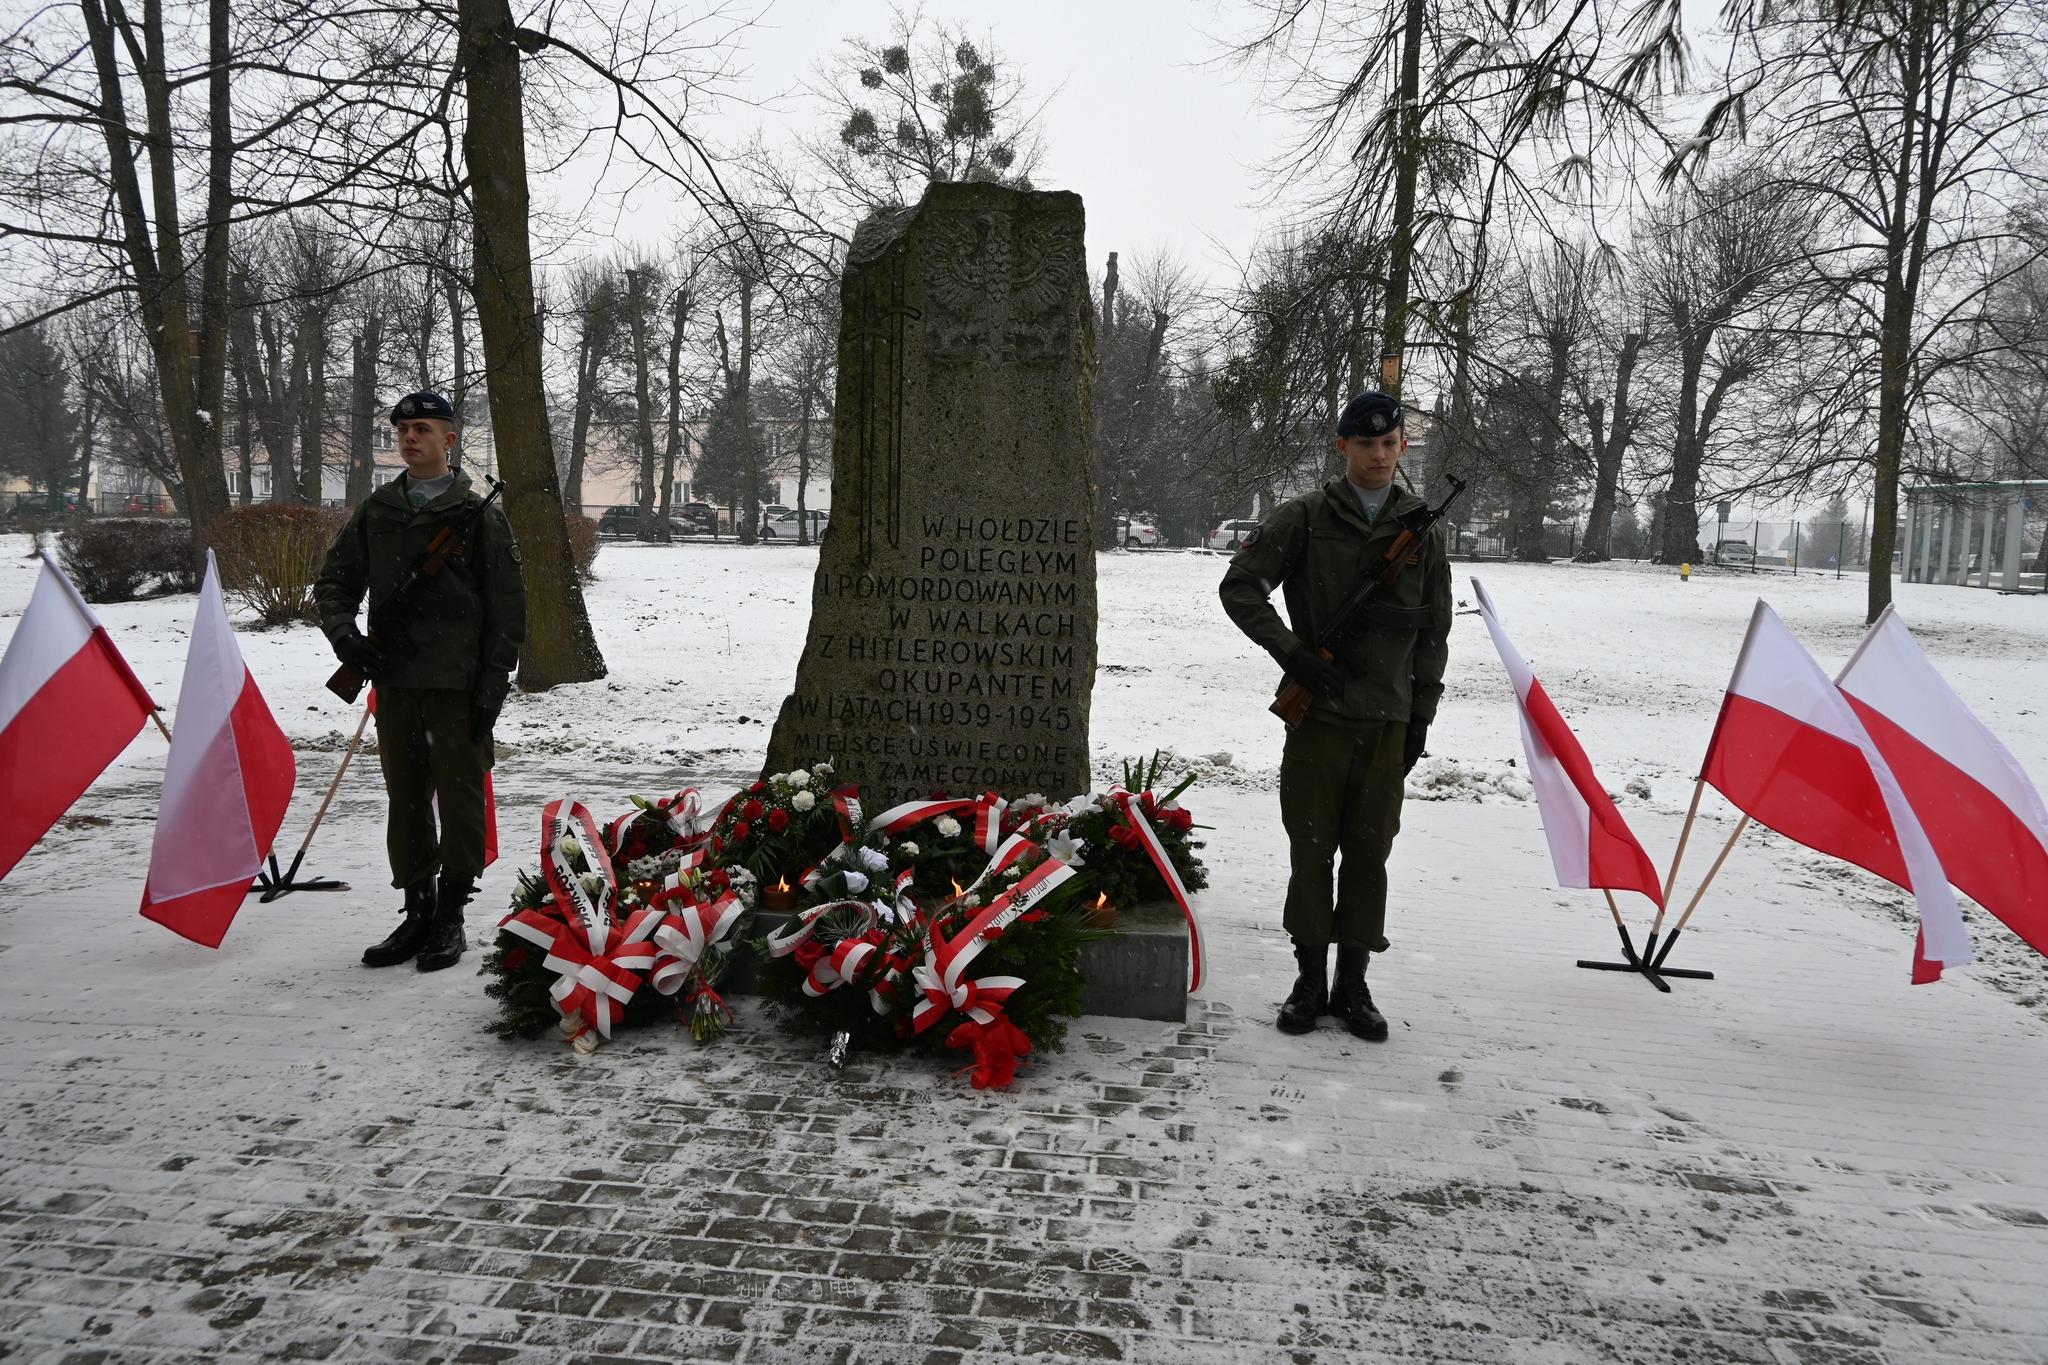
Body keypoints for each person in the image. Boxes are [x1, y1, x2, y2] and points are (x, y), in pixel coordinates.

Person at [1218, 391, 1452, 1041]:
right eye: (1366, 444)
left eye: (1389, 443)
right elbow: (1240, 587)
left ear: (1402, 446)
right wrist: (1292, 653)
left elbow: (1434, 631)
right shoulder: (1306, 517)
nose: (1378, 455)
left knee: (1370, 856)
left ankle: (1353, 983)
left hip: (1386, 722)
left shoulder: (1422, 529)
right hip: (1319, 718)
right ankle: (1308, 981)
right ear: (1342, 446)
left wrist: (1421, 715)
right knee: (1312, 851)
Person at [313, 391, 526, 972]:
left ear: (449, 440)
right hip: (396, 681)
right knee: (405, 800)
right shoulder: (379, 510)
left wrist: (494, 683)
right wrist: (345, 638)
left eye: (423, 429)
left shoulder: (478, 513)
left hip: (457, 685)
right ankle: (417, 910)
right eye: (402, 429)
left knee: (460, 800)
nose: (409, 438)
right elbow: (334, 583)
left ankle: (450, 915)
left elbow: (508, 609)